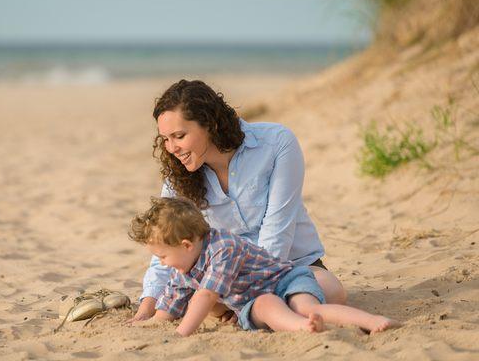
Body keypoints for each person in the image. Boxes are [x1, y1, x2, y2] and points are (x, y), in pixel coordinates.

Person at [131, 79, 346, 323]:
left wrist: (247, 295)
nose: (172, 148)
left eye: (179, 136)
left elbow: (278, 231)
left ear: (209, 124)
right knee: (199, 297)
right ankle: (256, 311)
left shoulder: (276, 143)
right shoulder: (178, 177)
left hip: (290, 267)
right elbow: (165, 240)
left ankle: (254, 311)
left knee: (332, 291)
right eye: (165, 139)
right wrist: (148, 304)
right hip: (223, 281)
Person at [128, 197, 400, 336]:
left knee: (307, 305)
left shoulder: (223, 248)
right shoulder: (183, 268)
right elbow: (170, 304)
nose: (163, 263)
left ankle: (372, 321)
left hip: (286, 280)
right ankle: (303, 328)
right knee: (266, 305)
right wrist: (150, 321)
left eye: (162, 256)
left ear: (187, 245)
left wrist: (181, 333)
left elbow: (206, 295)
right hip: (255, 300)